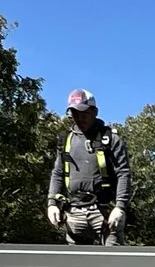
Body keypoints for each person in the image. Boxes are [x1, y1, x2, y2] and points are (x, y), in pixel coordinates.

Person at [48, 89, 130, 245]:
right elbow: (57, 173)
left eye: (84, 113)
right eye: (75, 113)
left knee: (114, 263)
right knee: (76, 266)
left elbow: (123, 173)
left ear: (95, 112)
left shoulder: (111, 139)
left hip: (105, 211)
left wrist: (120, 207)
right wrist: (52, 204)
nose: (80, 118)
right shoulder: (66, 140)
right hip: (74, 212)